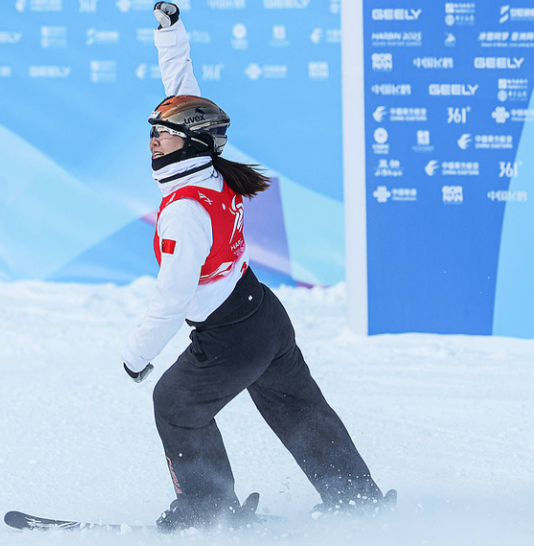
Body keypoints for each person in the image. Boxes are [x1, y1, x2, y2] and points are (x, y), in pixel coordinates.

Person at [120, 3, 395, 532]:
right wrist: (170, 34)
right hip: (264, 315)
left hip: (231, 335)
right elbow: (187, 97)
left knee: (174, 402)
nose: (154, 139)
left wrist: (136, 355)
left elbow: (172, 299)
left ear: (191, 142)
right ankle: (356, 497)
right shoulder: (210, 168)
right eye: (152, 130)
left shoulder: (184, 211)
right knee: (297, 408)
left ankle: (207, 510)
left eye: (163, 133)